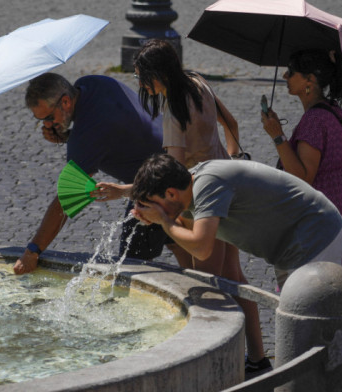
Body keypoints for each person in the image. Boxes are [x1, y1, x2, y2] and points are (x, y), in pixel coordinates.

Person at [93, 39, 269, 376]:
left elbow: (172, 180)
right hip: (227, 184)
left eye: (141, 74)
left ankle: (210, 362)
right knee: (232, 275)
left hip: (202, 197)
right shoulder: (198, 81)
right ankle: (258, 357)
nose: (138, 79)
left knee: (203, 282)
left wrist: (128, 194)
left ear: (157, 74)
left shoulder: (173, 109)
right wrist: (232, 157)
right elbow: (230, 122)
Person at [130, 154, 342, 378]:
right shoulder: (192, 181)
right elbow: (183, 221)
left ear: (171, 193)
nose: (155, 209)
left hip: (315, 233)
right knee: (300, 327)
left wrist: (164, 221)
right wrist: (125, 192)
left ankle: (329, 379)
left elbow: (201, 247)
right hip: (294, 242)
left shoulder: (209, 185)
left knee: (309, 327)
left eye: (155, 203)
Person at [13, 73, 164, 275]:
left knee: (131, 270)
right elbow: (106, 129)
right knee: (184, 245)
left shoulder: (87, 137)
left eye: (49, 118)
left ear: (65, 102)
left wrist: (32, 251)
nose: (47, 126)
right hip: (175, 157)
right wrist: (68, 136)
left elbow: (67, 200)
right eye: (40, 121)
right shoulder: (90, 83)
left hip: (160, 182)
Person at [261, 49, 342, 272]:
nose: (285, 76)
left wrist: (278, 136)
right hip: (341, 205)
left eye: (292, 71)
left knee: (314, 286)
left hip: (322, 214)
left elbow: (303, 176)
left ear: (309, 81)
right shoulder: (332, 109)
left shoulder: (314, 120)